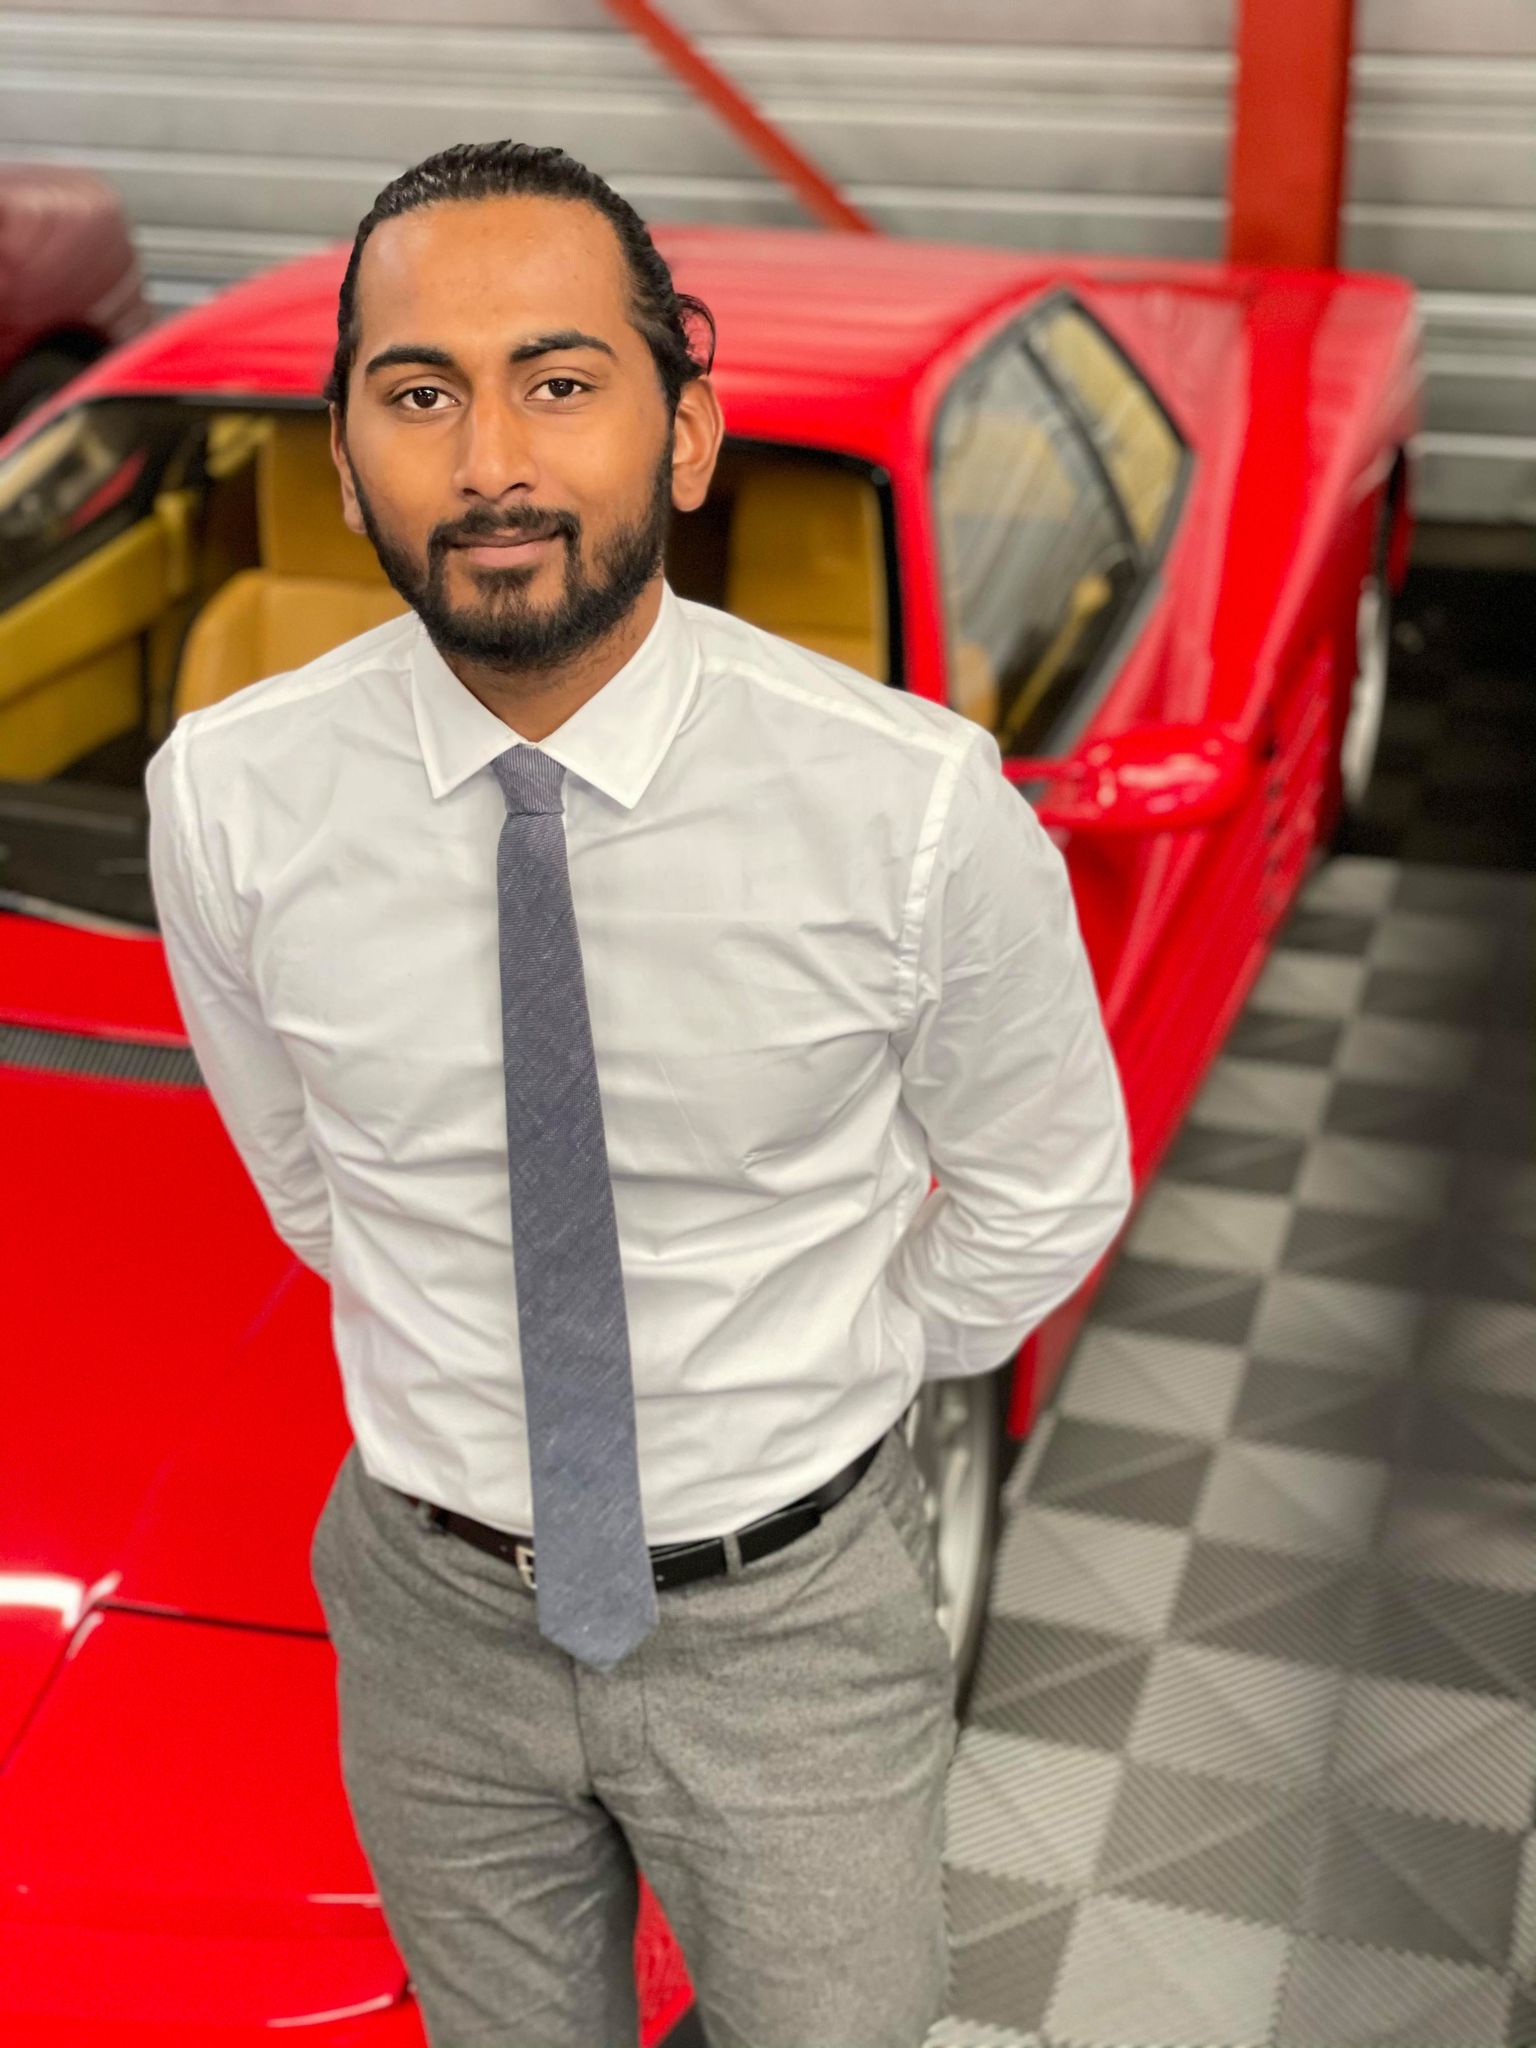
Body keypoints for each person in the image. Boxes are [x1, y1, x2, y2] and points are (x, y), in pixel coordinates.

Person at [145, 139, 1134, 2048]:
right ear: (343, 461)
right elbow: (309, 1176)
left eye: (560, 382)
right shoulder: (229, 797)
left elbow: (1042, 1190)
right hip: (426, 1613)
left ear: (686, 433)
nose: (490, 461)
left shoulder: (912, 810)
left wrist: (826, 1355)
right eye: (418, 395)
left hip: (793, 1622)